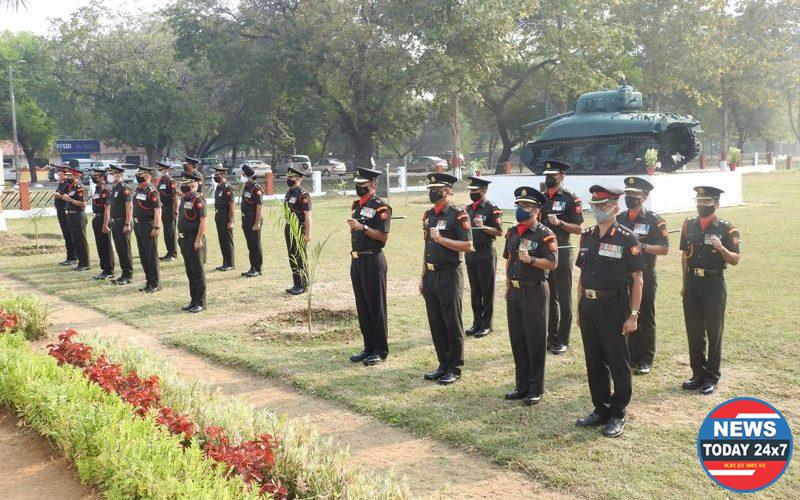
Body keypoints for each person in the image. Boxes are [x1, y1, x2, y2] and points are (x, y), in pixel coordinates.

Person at [575, 185, 643, 438]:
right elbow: (582, 274)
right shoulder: (588, 235)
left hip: (614, 306)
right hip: (589, 305)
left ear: (616, 206)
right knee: (594, 359)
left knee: (617, 361)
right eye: (595, 206)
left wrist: (633, 315)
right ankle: (600, 408)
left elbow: (637, 279)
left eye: (603, 205)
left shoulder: (627, 238)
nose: (599, 210)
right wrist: (579, 307)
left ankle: (618, 412)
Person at [680, 186, 740, 395]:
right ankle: (697, 373)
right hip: (693, 282)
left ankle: (712, 377)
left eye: (706, 202)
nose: (701, 205)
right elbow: (685, 255)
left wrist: (722, 248)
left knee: (714, 331)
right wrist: (684, 283)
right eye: (699, 201)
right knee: (694, 330)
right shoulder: (688, 224)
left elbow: (735, 260)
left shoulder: (727, 228)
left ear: (716, 204)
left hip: (714, 284)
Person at [503, 186, 558, 406]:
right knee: (517, 339)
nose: (521, 209)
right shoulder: (513, 232)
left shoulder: (544, 234)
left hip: (534, 290)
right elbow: (508, 259)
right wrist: (507, 285)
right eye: (519, 205)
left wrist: (532, 261)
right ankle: (521, 385)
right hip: (515, 291)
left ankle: (536, 388)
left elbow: (553, 263)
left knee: (534, 340)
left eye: (526, 206)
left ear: (536, 210)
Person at [420, 172, 473, 385]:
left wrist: (442, 240)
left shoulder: (458, 215)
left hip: (450, 273)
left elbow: (468, 246)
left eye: (438, 189)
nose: (434, 192)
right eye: (431, 189)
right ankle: (442, 363)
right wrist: (423, 276)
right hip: (431, 274)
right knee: (436, 321)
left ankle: (454, 367)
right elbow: (426, 247)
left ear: (449, 191)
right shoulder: (428, 215)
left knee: (452, 321)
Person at [618, 177, 669, 375]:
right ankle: (630, 355)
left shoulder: (654, 220)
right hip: (623, 275)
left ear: (645, 197)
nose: (630, 198)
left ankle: (645, 358)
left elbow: (664, 249)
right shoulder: (620, 218)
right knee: (626, 314)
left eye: (635, 195)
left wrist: (643, 246)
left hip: (645, 273)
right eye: (628, 194)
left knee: (645, 315)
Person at [346, 166, 392, 366]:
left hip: (373, 260)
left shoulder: (381, 207)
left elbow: (383, 237)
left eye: (363, 185)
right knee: (363, 306)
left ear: (373, 185)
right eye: (357, 185)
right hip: (357, 260)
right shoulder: (357, 205)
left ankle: (380, 349)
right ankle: (368, 347)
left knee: (376, 306)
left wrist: (362, 227)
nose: (359, 188)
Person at [540, 160, 584, 355]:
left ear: (562, 176)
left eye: (553, 175)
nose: (549, 178)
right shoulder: (540, 198)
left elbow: (579, 228)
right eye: (547, 175)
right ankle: (551, 336)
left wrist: (560, 222)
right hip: (543, 253)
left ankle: (563, 338)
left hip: (563, 249)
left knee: (564, 297)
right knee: (549, 296)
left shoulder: (570, 199)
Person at [464, 176, 503, 338]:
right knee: (475, 289)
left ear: (484, 190)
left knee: (487, 289)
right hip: (471, 252)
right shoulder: (468, 209)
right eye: (471, 190)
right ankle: (476, 322)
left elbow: (499, 232)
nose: (473, 193)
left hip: (486, 251)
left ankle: (486, 324)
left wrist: (484, 227)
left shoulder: (491, 208)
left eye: (476, 190)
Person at [177, 171, 207, 313]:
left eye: (186, 183)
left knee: (197, 271)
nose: (183, 186)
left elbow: (202, 221)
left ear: (193, 184)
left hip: (194, 238)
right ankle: (193, 300)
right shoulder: (184, 199)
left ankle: (200, 302)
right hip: (183, 238)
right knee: (190, 271)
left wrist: (198, 240)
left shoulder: (197, 199)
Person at [132, 166, 162, 292]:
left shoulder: (151, 191)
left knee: (151, 255)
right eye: (138, 173)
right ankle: (148, 282)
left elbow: (157, 210)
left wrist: (156, 227)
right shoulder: (139, 189)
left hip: (148, 224)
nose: (139, 175)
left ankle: (155, 283)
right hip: (138, 225)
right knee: (143, 255)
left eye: (142, 174)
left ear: (148, 176)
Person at [284, 166, 312, 294]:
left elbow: (307, 215)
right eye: (288, 177)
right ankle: (296, 283)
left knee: (300, 256)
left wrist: (307, 233)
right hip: (289, 227)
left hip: (299, 227)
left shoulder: (303, 194)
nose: (289, 180)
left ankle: (303, 284)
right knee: (292, 255)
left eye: (292, 178)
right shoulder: (289, 193)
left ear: (299, 178)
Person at [60, 167, 91, 271]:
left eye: (70, 175)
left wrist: (69, 199)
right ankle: (80, 263)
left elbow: (83, 204)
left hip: (78, 216)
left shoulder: (81, 188)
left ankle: (85, 264)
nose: (68, 177)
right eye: (68, 175)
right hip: (70, 215)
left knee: (81, 240)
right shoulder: (72, 188)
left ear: (77, 176)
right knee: (75, 240)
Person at [108, 164, 134, 285]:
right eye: (112, 173)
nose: (112, 175)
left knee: (125, 249)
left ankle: (128, 275)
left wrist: (127, 223)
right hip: (115, 222)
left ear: (119, 174)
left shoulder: (124, 188)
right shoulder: (115, 187)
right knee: (119, 248)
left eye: (114, 173)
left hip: (123, 222)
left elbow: (129, 207)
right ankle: (124, 273)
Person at [90, 166, 114, 280]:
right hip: (96, 219)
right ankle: (104, 268)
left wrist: (105, 224)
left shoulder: (105, 190)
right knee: (100, 245)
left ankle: (109, 270)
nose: (94, 177)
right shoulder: (97, 189)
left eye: (96, 175)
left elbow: (107, 208)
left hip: (103, 219)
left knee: (106, 245)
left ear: (101, 177)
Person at [239, 164, 264, 277]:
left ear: (248, 176)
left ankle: (257, 268)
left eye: (243, 174)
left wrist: (257, 222)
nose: (241, 175)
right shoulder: (247, 186)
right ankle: (252, 266)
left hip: (253, 219)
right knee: (250, 244)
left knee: (255, 244)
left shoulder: (256, 188)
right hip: (246, 219)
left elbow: (259, 206)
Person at [53, 164, 77, 266]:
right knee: (66, 235)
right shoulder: (61, 184)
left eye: (60, 173)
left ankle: (73, 257)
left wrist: (59, 196)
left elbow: (68, 198)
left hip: (66, 211)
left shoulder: (68, 185)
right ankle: (69, 257)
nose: (58, 174)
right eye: (58, 173)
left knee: (69, 234)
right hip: (60, 211)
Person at [213, 165, 235, 271]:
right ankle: (225, 262)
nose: (215, 176)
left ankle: (230, 263)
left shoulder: (227, 187)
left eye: (216, 175)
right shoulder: (219, 187)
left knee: (227, 240)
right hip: (218, 215)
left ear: (222, 175)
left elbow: (231, 204)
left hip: (225, 216)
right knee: (222, 240)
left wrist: (231, 220)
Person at [156, 162, 179, 262]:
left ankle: (173, 253)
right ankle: (169, 252)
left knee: (171, 231)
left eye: (162, 169)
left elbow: (175, 196)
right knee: (166, 231)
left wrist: (175, 210)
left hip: (170, 206)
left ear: (166, 169)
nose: (160, 170)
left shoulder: (171, 180)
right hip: (163, 207)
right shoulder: (161, 180)